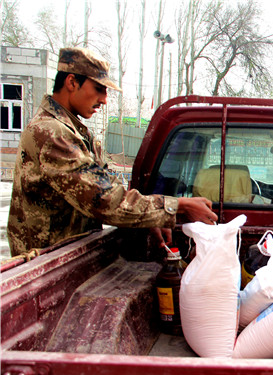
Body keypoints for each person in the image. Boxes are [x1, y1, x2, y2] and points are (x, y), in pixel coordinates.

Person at [7, 47, 217, 257]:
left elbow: (108, 186)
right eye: (99, 89)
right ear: (72, 82)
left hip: (69, 257)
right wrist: (177, 206)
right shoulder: (51, 132)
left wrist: (151, 219)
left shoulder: (76, 132)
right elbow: (105, 200)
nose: (104, 99)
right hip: (46, 265)